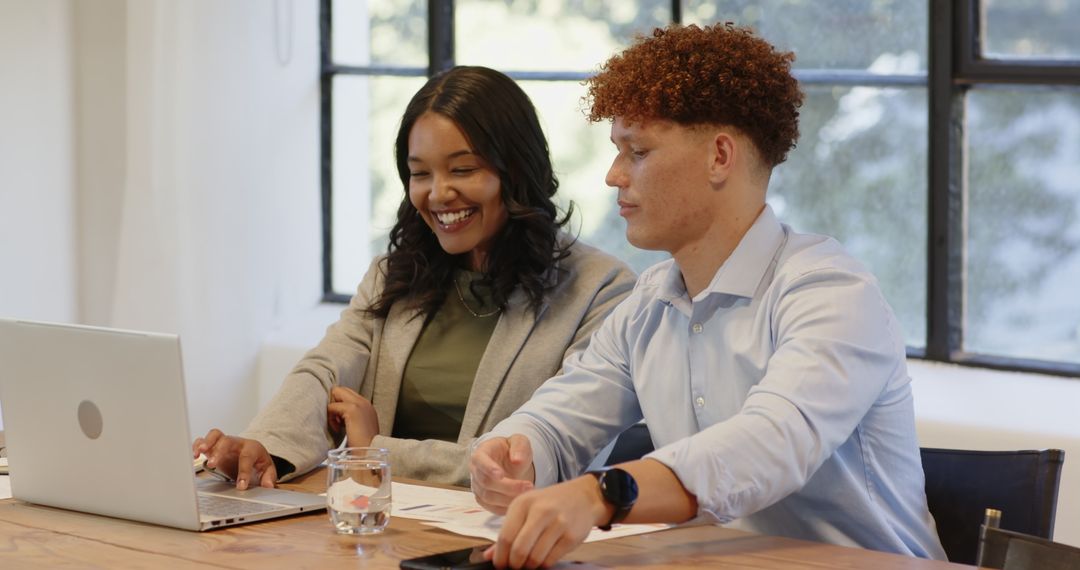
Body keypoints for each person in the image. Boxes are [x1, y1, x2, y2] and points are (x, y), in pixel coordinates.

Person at [468, 23, 947, 568]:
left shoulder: (831, 292)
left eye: (637, 151)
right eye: (616, 151)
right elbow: (561, 416)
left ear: (720, 156)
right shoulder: (648, 304)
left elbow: (769, 443)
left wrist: (602, 493)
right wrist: (513, 452)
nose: (613, 175)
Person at [193, 66, 636, 490]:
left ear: (517, 170)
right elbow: (325, 368)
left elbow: (524, 463)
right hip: (378, 525)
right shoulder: (393, 276)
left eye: (463, 169)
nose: (439, 193)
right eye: (420, 173)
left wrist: (374, 451)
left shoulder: (599, 289)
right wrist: (264, 447)